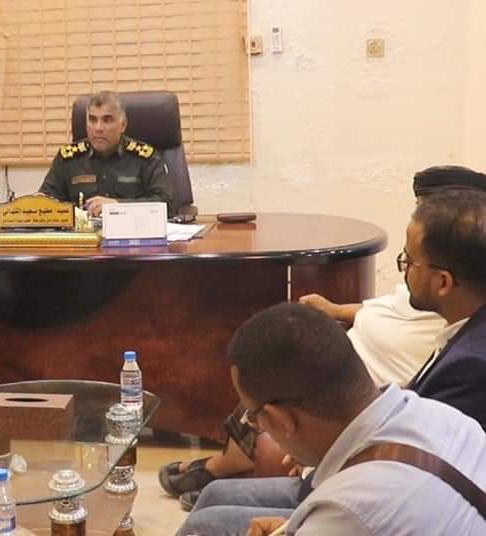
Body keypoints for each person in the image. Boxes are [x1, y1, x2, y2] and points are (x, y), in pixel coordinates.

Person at [161, 165, 486, 505]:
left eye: (409, 262)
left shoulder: (471, 366)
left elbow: (420, 464)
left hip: (374, 497)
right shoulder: (459, 325)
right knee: (272, 357)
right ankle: (226, 468)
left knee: (214, 515)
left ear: (443, 282)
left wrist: (331, 453)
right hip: (365, 450)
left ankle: (227, 468)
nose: (403, 268)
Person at [38, 91, 174, 217]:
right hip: (83, 233)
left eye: (107, 120)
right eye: (92, 120)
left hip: (130, 232)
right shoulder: (69, 158)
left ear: (123, 125)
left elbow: (167, 205)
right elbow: (44, 205)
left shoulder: (145, 157)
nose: (98, 128)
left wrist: (117, 206)